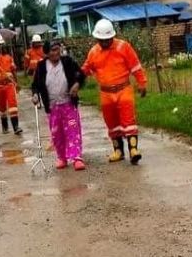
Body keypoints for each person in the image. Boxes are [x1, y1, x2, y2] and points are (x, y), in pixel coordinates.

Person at [81, 20, 148, 164]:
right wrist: (75, 78)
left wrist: (142, 83)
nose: (104, 43)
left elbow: (135, 66)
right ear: (97, 39)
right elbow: (86, 69)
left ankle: (133, 150)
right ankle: (118, 151)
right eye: (101, 40)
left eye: (107, 40)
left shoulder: (123, 47)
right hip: (106, 93)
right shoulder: (93, 52)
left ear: (112, 37)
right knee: (112, 123)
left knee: (128, 120)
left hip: (124, 89)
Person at [31, 40, 86, 171]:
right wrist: (35, 95)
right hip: (53, 106)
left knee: (73, 129)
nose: (56, 53)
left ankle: (77, 157)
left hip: (68, 104)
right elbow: (35, 85)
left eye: (57, 49)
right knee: (57, 133)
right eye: (52, 50)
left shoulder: (67, 62)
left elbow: (81, 75)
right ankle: (62, 157)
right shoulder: (41, 66)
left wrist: (77, 84)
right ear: (46, 53)